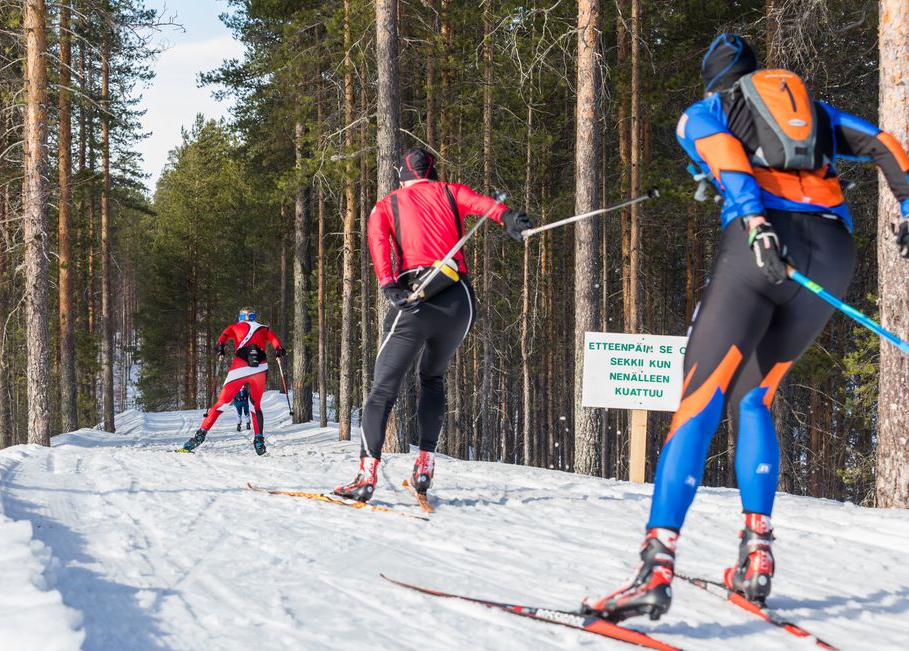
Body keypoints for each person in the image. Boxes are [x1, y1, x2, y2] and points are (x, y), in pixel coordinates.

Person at [589, 34, 909, 622]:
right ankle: (756, 556)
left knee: (699, 402)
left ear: (715, 79)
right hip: (833, 255)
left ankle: (655, 569)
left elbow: (727, 156)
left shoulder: (708, 110)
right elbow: (886, 144)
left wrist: (755, 219)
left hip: (762, 246)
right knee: (755, 397)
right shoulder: (808, 110)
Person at [333, 148, 532, 502]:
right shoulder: (450, 191)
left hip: (417, 298)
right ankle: (424, 465)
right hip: (460, 302)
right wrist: (509, 218)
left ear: (401, 175)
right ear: (431, 171)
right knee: (432, 378)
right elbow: (483, 204)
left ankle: (365, 476)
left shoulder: (386, 204)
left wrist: (389, 284)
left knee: (382, 390)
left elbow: (378, 242)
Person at [181, 307, 286, 456]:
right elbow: (276, 342)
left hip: (240, 369)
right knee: (255, 406)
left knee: (221, 404)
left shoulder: (234, 327)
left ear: (240, 317)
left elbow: (222, 339)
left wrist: (221, 348)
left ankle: (200, 435)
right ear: (254, 316)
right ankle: (259, 440)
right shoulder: (264, 328)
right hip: (260, 369)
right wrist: (278, 350)